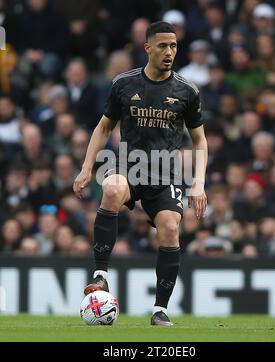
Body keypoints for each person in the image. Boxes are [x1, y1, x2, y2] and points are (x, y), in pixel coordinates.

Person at [73, 21, 208, 326]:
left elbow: (200, 140)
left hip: (166, 174)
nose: (169, 52)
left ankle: (160, 309)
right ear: (148, 48)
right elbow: (104, 127)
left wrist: (198, 183)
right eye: (162, 45)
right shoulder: (124, 83)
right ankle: (101, 275)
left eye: (173, 46)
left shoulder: (187, 90)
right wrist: (86, 167)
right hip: (129, 165)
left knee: (171, 229)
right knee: (110, 190)